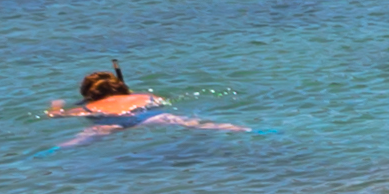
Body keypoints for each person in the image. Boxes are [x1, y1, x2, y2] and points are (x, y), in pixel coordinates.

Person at [44, 66, 244, 139]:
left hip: (110, 122)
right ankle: (240, 129)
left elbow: (55, 116)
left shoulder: (87, 107)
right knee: (193, 123)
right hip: (149, 116)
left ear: (88, 93)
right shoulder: (144, 96)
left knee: (79, 140)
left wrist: (55, 105)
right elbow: (161, 102)